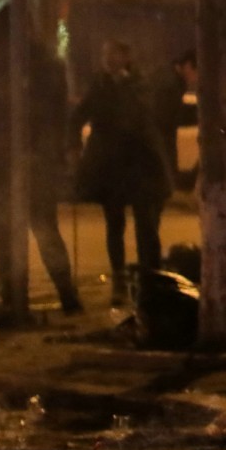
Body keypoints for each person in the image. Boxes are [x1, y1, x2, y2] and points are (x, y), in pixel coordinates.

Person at [0, 6, 82, 316]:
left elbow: (57, 117)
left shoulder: (34, 65)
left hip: (24, 161)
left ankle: (40, 296)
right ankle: (43, 297)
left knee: (31, 230)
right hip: (11, 161)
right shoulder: (2, 65)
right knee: (22, 231)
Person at [71, 40, 172, 305]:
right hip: (111, 167)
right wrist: (71, 142)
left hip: (139, 166)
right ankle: (119, 280)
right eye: (106, 55)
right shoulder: (100, 85)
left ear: (126, 57)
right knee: (114, 223)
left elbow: (141, 117)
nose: (109, 60)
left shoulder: (139, 84)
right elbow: (81, 114)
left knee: (145, 226)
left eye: (114, 55)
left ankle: (149, 280)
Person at [152, 50, 197, 189]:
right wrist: (198, 114)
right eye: (197, 72)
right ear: (188, 66)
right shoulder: (170, 83)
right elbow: (169, 114)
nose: (196, 79)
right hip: (158, 141)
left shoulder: (169, 78)